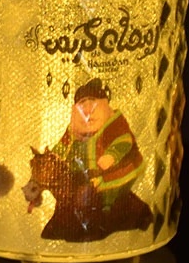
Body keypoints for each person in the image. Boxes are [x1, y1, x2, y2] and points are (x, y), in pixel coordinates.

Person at [52, 78, 144, 212]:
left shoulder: (113, 122)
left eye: (93, 103)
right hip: (83, 174)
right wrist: (52, 157)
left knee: (109, 190)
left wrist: (112, 156)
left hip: (115, 170)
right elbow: (62, 145)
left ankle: (108, 205)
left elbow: (124, 140)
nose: (88, 111)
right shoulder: (75, 128)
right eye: (82, 104)